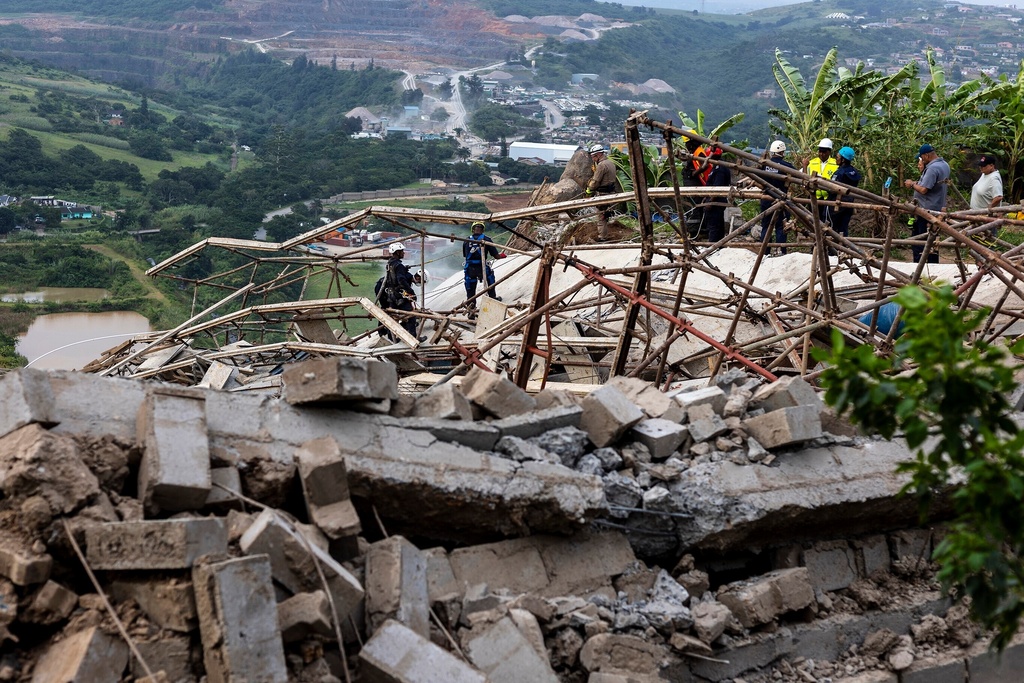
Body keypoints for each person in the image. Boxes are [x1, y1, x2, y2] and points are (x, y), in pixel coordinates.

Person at [903, 143, 950, 263]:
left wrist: (912, 184)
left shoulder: (932, 168)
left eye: (922, 157)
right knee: (933, 240)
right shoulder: (944, 165)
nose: (921, 160)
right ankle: (933, 265)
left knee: (921, 242)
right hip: (937, 208)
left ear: (927, 155)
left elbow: (924, 189)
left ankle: (920, 267)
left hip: (926, 210)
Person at [379, 242, 421, 340]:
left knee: (392, 317)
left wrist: (403, 270)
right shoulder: (399, 266)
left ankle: (391, 338)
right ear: (397, 252)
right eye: (402, 251)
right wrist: (411, 292)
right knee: (411, 315)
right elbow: (401, 280)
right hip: (398, 296)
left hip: (391, 295)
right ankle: (413, 338)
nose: (403, 253)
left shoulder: (390, 263)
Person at [760, 140, 795, 254]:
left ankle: (765, 252)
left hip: (766, 200)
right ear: (782, 152)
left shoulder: (764, 165)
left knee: (766, 226)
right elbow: (798, 176)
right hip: (781, 200)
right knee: (781, 226)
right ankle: (781, 252)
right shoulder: (786, 166)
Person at [463, 221, 506, 304]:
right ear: (482, 230)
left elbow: (465, 255)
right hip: (481, 266)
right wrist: (502, 255)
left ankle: (471, 307)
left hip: (470, 268)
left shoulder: (466, 240)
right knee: (490, 279)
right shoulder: (486, 239)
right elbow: (496, 256)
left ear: (472, 229)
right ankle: (493, 299)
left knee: (470, 286)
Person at [584, 144, 620, 241]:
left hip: (603, 195)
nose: (593, 159)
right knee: (605, 215)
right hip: (611, 193)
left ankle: (602, 237)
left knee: (601, 217)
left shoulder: (601, 165)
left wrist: (589, 191)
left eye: (593, 156)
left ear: (599, 154)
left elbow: (595, 182)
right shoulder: (611, 163)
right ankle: (606, 234)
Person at [829, 146, 862, 239]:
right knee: (843, 229)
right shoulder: (854, 172)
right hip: (849, 204)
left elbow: (831, 187)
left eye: (838, 157)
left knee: (830, 228)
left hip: (836, 204)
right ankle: (843, 249)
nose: (836, 159)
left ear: (843, 160)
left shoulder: (839, 173)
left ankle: (831, 251)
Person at [805, 138, 838, 225]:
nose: (821, 154)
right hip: (813, 197)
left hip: (828, 199)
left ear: (829, 152)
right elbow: (804, 177)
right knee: (813, 222)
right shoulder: (812, 163)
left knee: (826, 222)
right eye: (820, 151)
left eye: (824, 152)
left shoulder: (835, 164)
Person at [702, 146, 732, 242]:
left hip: (716, 202)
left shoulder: (720, 169)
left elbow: (717, 188)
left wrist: (710, 201)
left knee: (714, 227)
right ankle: (718, 245)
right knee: (716, 225)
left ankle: (713, 246)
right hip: (713, 200)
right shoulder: (716, 167)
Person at [971, 154, 1003, 241]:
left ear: (992, 166)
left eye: (984, 166)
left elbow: (998, 197)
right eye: (980, 165)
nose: (981, 167)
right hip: (976, 215)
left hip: (985, 217)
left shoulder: (994, 179)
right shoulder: (985, 174)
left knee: (986, 243)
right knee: (975, 243)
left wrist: (989, 207)